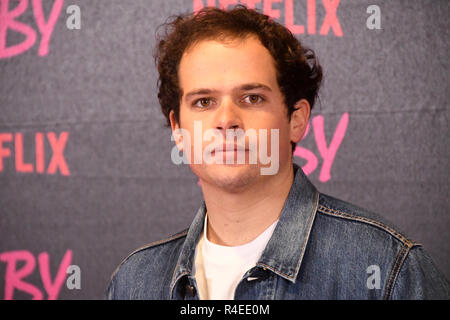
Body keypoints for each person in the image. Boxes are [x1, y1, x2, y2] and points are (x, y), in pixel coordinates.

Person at [105, 5, 449, 300]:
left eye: (252, 98)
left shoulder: (388, 269)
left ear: (295, 120)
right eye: (204, 102)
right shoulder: (136, 281)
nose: (226, 121)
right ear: (179, 130)